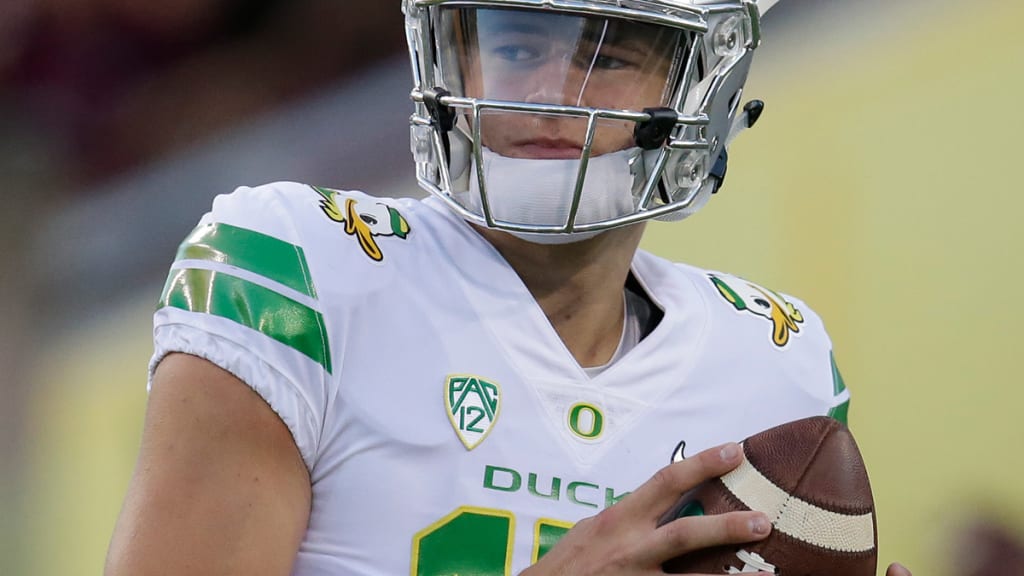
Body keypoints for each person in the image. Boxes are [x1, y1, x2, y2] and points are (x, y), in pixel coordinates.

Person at [105, 0, 913, 574]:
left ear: (706, 84)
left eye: (609, 55)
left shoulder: (778, 358)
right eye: (519, 45)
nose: (553, 90)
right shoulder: (300, 269)